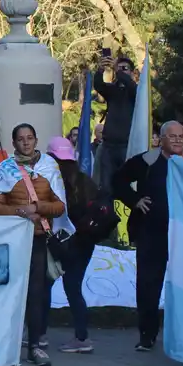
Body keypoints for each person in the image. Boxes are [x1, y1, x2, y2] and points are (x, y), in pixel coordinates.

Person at [0, 128, 66, 366]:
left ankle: (35, 345)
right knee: (8, 291)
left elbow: (60, 206)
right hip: (12, 239)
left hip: (37, 239)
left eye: (30, 138)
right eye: (21, 139)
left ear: (36, 140)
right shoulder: (5, 168)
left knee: (36, 292)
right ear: (14, 142)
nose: (26, 143)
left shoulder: (49, 167)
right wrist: (19, 213)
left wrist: (38, 209)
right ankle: (4, 344)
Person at [115, 120, 183, 351]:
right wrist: (135, 200)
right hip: (150, 233)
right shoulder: (146, 161)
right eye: (172, 136)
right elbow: (117, 180)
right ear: (162, 139)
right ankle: (147, 335)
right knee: (148, 285)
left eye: (181, 136)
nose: (177, 140)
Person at [48, 136, 112, 354]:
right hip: (86, 242)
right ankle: (80, 336)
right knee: (73, 287)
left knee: (46, 283)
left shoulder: (56, 183)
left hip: (65, 242)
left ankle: (42, 334)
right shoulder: (85, 181)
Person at [94, 54, 138, 188]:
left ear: (131, 72)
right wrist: (100, 70)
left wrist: (117, 70)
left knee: (125, 184)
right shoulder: (113, 90)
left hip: (127, 145)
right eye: (118, 68)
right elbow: (99, 85)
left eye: (124, 68)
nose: (120, 70)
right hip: (109, 146)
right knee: (106, 185)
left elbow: (131, 86)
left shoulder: (135, 90)